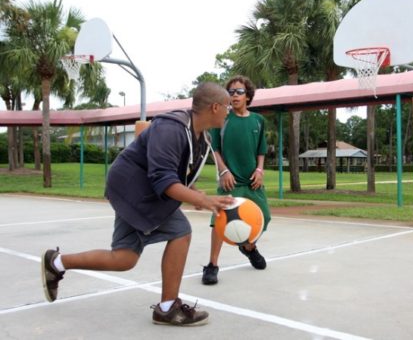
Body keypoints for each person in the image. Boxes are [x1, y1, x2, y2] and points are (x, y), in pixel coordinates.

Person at [41, 82, 235, 326]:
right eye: (227, 106)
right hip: (133, 190)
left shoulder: (199, 137)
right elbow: (163, 180)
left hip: (137, 189)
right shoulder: (171, 128)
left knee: (124, 258)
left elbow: (174, 172)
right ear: (215, 107)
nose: (229, 111)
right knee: (181, 231)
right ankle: (167, 308)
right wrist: (202, 200)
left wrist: (193, 192)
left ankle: (56, 262)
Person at [202, 75, 271, 285]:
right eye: (231, 92)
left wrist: (260, 170)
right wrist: (223, 171)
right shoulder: (222, 119)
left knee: (264, 217)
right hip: (230, 181)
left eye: (239, 91)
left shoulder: (258, 120)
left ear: (248, 96)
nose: (234, 95)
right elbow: (214, 148)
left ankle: (248, 248)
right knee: (220, 222)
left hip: (252, 181)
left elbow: (261, 150)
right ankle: (212, 265)